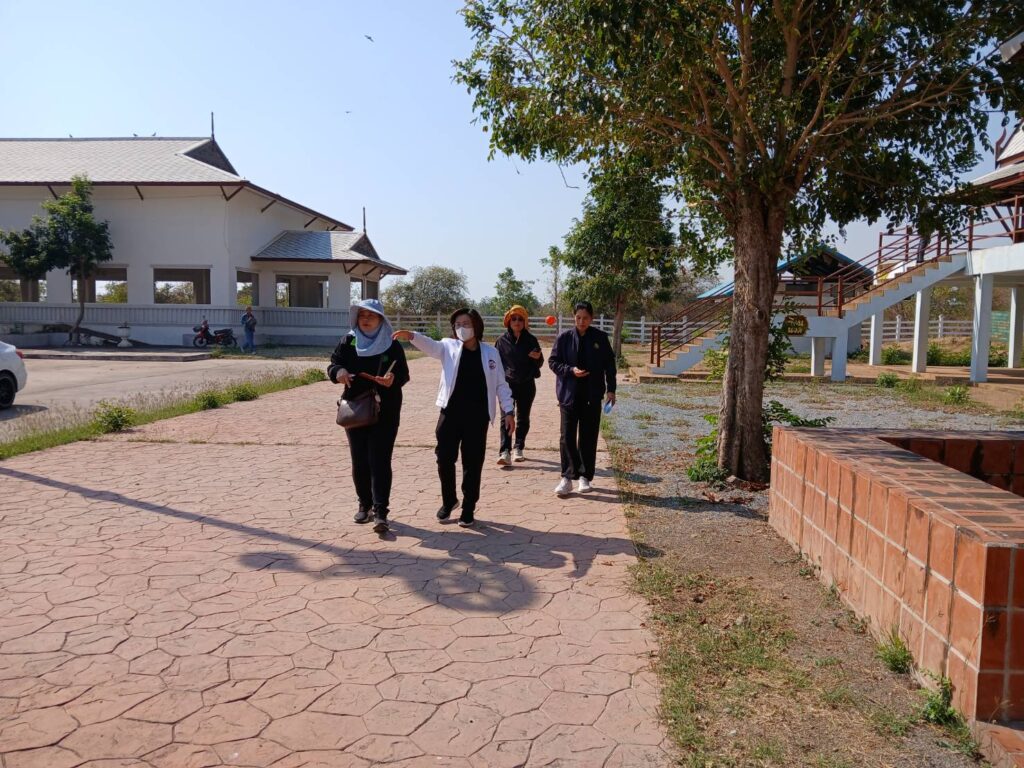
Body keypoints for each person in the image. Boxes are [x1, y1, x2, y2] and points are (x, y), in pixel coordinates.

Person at [393, 308, 514, 528]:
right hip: (450, 414)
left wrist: (508, 411)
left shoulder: (490, 353)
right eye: (457, 324)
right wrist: (412, 336)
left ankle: (468, 506)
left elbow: (500, 385)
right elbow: (431, 346)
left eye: (466, 324)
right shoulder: (448, 347)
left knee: (472, 462)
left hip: (477, 417)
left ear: (476, 326)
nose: (461, 328)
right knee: (444, 458)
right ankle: (449, 500)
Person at [328, 299, 409, 534]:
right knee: (360, 459)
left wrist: (392, 379)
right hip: (356, 408)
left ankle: (381, 511)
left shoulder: (391, 344)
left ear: (381, 319)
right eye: (362, 315)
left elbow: (403, 374)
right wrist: (339, 372)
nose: (365, 319)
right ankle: (364, 504)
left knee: (379, 459)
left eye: (371, 315)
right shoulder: (348, 341)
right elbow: (333, 365)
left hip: (386, 410)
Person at [548, 301, 616, 496]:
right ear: (573, 317)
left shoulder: (600, 338)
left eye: (585, 318)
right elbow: (553, 362)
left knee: (588, 436)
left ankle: (585, 477)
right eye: (578, 317)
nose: (581, 321)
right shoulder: (564, 338)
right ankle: (567, 477)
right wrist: (570, 370)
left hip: (592, 395)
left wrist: (611, 389)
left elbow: (609, 365)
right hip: (568, 396)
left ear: (591, 318)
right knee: (567, 437)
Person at [494, 304, 543, 465]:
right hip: (506, 386)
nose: (517, 322)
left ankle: (518, 447)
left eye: (520, 319)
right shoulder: (501, 341)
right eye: (514, 319)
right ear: (508, 321)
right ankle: (505, 451)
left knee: (523, 418)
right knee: (506, 417)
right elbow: (495, 364)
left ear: (524, 322)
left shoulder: (531, 340)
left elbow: (540, 362)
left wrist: (537, 358)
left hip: (526, 384)